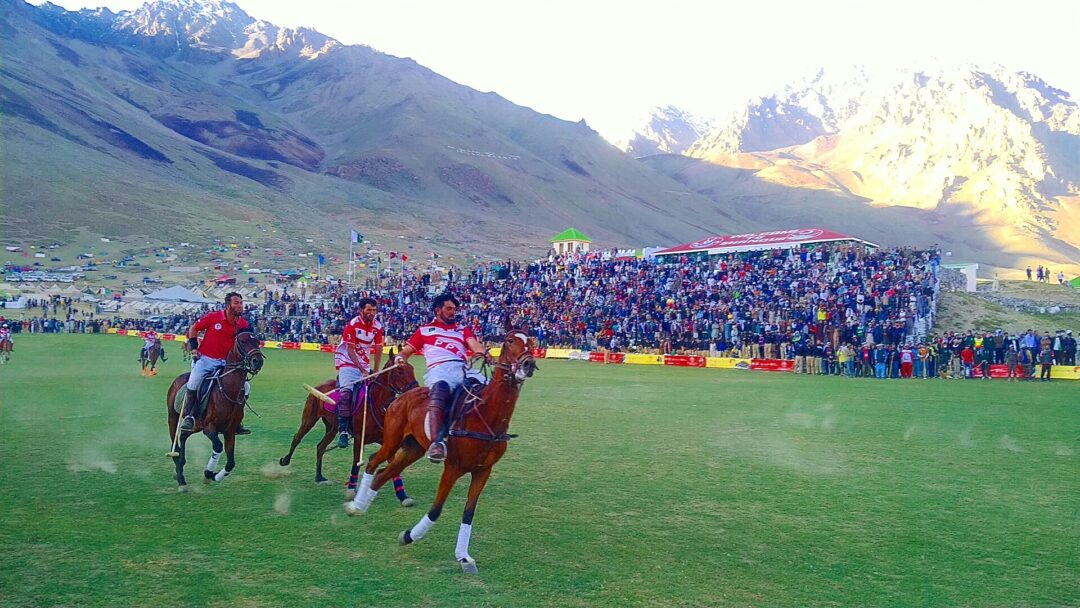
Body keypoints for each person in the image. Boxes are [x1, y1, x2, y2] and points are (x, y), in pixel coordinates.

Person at [393, 293, 491, 463]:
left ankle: (488, 434)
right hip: (439, 369)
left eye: (454, 309)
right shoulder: (424, 330)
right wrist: (400, 358)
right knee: (441, 389)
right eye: (449, 309)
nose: (453, 312)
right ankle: (437, 443)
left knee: (487, 388)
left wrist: (482, 352)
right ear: (438, 310)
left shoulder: (462, 329)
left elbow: (475, 346)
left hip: (461, 368)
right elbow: (406, 351)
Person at [181, 292, 251, 432]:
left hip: (228, 364)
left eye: (241, 303)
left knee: (246, 386)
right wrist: (194, 347)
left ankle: (237, 419)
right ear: (228, 305)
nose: (240, 306)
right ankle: (189, 416)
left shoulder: (243, 323)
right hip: (207, 359)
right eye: (236, 303)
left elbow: (248, 341)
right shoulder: (214, 317)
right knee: (193, 382)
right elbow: (194, 328)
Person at [333, 297, 384, 448]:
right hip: (348, 364)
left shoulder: (378, 326)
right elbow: (350, 349)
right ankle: (343, 431)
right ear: (361, 310)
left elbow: (379, 348)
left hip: (365, 365)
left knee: (378, 392)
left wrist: (375, 369)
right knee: (346, 393)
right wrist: (362, 370)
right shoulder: (352, 325)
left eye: (374, 310)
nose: (372, 313)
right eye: (369, 310)